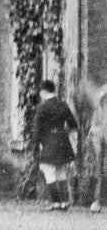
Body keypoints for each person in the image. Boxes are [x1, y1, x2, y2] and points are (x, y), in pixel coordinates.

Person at [34, 79, 77, 211]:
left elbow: (37, 129)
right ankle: (65, 202)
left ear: (43, 91)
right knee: (61, 172)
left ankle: (56, 203)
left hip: (48, 142)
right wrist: (63, 133)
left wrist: (37, 145)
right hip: (63, 141)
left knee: (48, 170)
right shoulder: (63, 105)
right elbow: (73, 125)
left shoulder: (42, 107)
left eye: (40, 91)